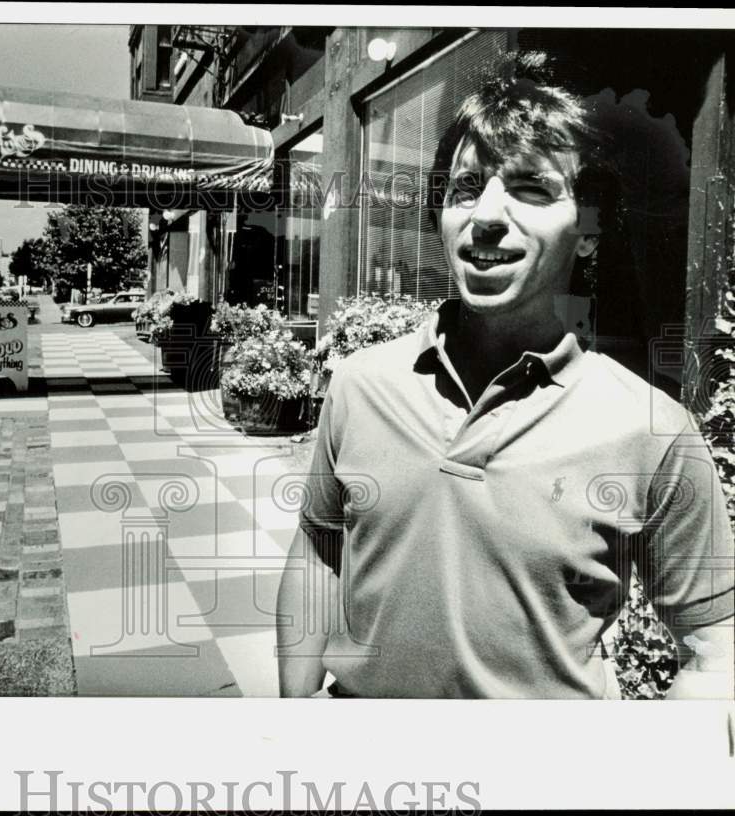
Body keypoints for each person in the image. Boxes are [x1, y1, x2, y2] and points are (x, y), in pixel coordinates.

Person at [276, 52, 734, 699]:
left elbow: (716, 644)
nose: (485, 216)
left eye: (531, 187)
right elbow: (318, 552)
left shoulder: (654, 431)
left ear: (591, 227)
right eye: (466, 188)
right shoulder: (359, 384)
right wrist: (288, 724)